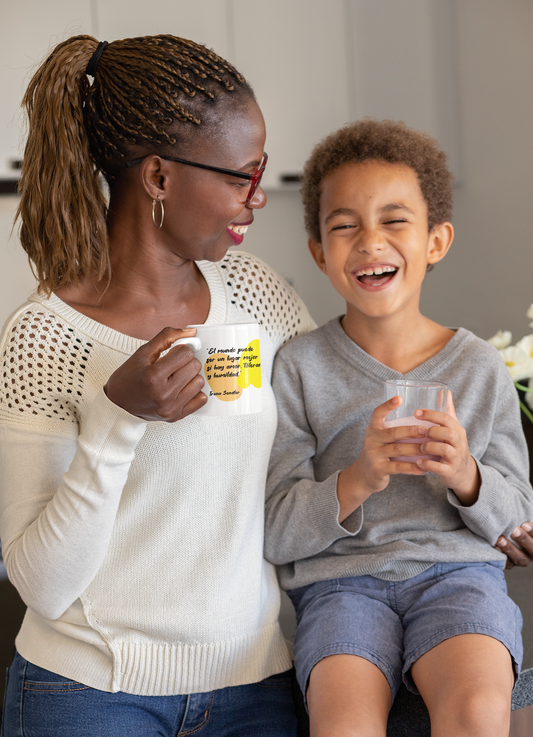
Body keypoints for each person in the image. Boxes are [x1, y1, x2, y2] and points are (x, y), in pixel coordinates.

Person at [0, 34, 315, 736]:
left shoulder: (256, 295)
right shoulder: (43, 336)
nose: (257, 197)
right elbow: (42, 584)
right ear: (159, 178)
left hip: (255, 686)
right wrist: (119, 416)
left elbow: (334, 431)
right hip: (86, 694)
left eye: (260, 170)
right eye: (240, 175)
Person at [264, 119, 533, 737]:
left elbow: (517, 516)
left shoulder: (477, 367)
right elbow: (276, 530)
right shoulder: (298, 368)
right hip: (340, 589)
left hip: (458, 577)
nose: (368, 241)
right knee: (343, 722)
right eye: (343, 225)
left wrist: (466, 475)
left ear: (436, 241)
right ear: (318, 251)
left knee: (477, 710)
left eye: (394, 219)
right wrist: (360, 477)